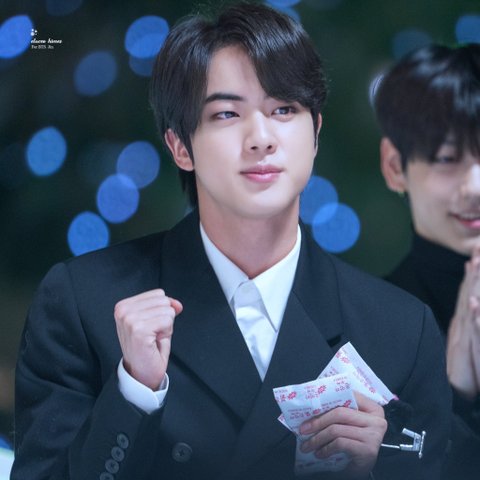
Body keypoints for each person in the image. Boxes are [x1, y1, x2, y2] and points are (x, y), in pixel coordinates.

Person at [12, 3, 451, 479]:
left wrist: (374, 470)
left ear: (316, 133)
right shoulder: (84, 303)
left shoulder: (402, 330)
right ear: (181, 146)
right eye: (226, 113)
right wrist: (134, 392)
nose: (261, 138)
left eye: (284, 109)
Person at [374, 43, 480, 478]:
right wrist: (456, 401)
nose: (475, 187)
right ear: (395, 166)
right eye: (446, 159)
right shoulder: (372, 330)